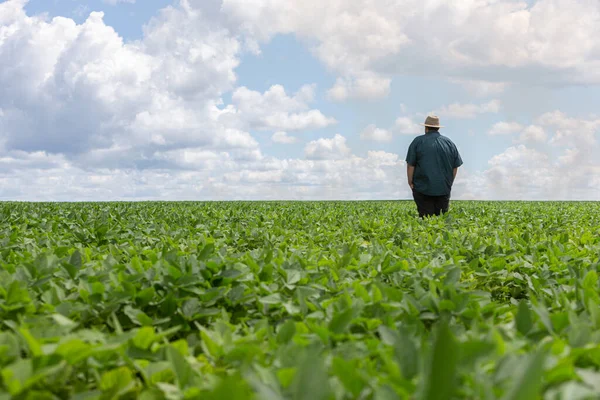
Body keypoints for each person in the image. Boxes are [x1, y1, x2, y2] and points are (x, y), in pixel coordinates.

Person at [405, 115, 463, 218]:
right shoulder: (449, 143)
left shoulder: (418, 141)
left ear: (426, 128)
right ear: (438, 128)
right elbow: (455, 167)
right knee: (441, 220)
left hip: (422, 188)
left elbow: (411, 165)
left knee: (426, 221)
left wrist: (410, 181)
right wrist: (449, 182)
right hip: (443, 188)